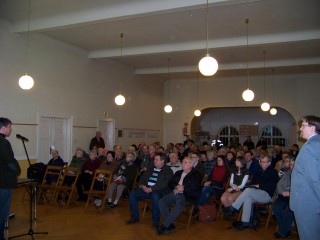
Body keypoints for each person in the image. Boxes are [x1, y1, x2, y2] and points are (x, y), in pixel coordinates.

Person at [223, 154, 278, 230]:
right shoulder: (258, 171)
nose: (261, 163)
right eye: (260, 162)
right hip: (255, 192)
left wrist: (259, 185)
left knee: (248, 191)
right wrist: (256, 186)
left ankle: (234, 207)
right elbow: (252, 183)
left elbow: (272, 186)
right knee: (248, 198)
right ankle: (245, 222)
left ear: (269, 163)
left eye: (263, 162)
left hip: (267, 194)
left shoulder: (274, 172)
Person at [290, 115, 320, 240]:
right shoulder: (317, 144)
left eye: (303, 125)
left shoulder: (308, 148)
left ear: (312, 127)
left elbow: (315, 180)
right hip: (313, 201)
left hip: (306, 203)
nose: (300, 129)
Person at [157, 157, 202, 235]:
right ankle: (170, 224)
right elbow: (170, 182)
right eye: (183, 162)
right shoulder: (179, 172)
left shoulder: (196, 174)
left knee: (179, 204)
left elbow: (194, 187)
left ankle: (164, 226)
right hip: (175, 192)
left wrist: (183, 188)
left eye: (185, 162)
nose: (183, 164)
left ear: (191, 164)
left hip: (187, 195)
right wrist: (177, 186)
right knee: (162, 201)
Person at [126, 153, 173, 228]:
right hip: (147, 189)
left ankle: (155, 222)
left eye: (156, 160)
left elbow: (164, 184)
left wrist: (151, 189)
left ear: (162, 161)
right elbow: (143, 177)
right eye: (154, 159)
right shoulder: (151, 168)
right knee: (132, 194)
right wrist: (143, 186)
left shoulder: (168, 170)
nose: (154, 161)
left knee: (155, 196)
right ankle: (134, 218)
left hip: (159, 191)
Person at [0, 118, 21, 240]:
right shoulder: (3, 143)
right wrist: (17, 170)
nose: (10, 129)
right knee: (2, 212)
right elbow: (9, 161)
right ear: (3, 128)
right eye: (9, 126)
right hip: (4, 182)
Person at [273, 159, 295, 239]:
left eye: (294, 165)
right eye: (291, 165)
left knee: (289, 211)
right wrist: (282, 192)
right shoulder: (287, 173)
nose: (292, 167)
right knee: (275, 207)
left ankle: (281, 231)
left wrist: (291, 193)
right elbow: (279, 184)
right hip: (284, 196)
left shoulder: (300, 176)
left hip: (294, 198)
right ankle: (287, 229)